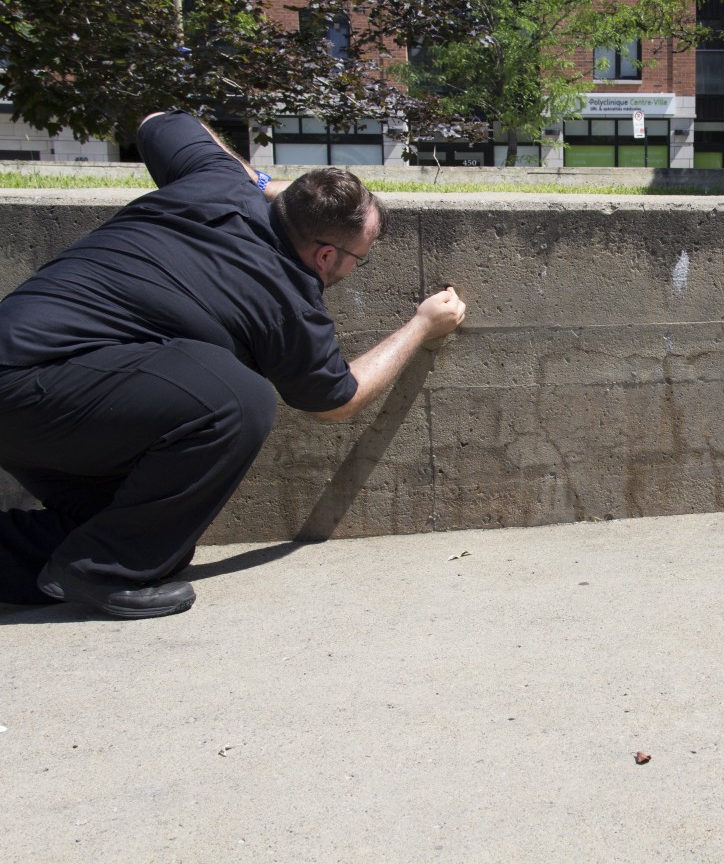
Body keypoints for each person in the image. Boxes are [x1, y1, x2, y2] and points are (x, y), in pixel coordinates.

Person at [0, 110, 465, 618]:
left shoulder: (215, 179)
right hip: (32, 388)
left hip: (42, 382)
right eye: (361, 257)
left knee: (146, 537)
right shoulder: (288, 302)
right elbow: (337, 399)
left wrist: (259, 181)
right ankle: (100, 573)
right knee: (237, 401)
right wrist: (421, 325)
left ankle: (88, 561)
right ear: (327, 256)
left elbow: (159, 120)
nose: (356, 267)